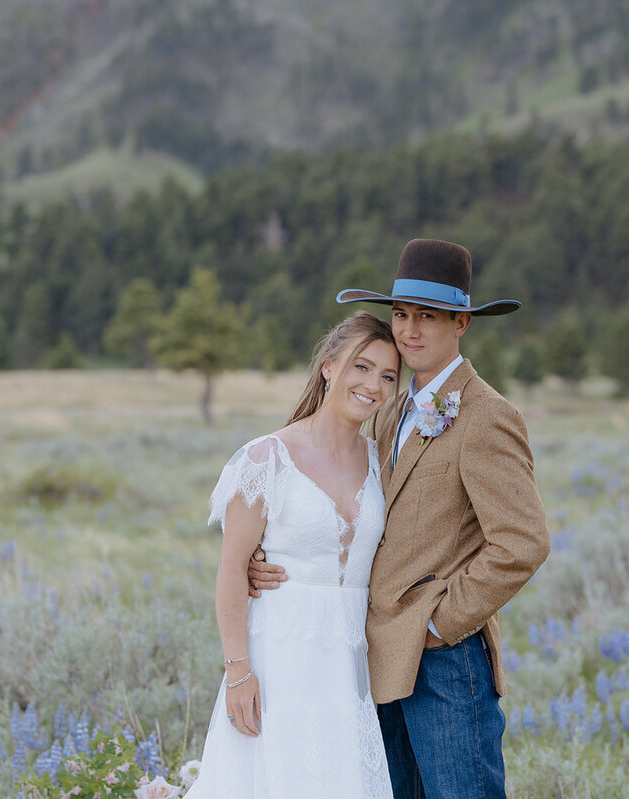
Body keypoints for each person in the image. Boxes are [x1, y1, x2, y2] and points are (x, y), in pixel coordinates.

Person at [251, 238, 551, 799]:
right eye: (402, 315)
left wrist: (438, 624)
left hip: (445, 660)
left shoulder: (487, 415)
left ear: (462, 323)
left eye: (428, 317)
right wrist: (277, 558)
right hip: (375, 655)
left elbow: (523, 542)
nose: (410, 330)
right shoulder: (391, 406)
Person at [185, 311, 401, 799]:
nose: (374, 385)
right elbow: (231, 571)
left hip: (349, 666)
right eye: (361, 367)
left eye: (388, 375)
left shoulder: (382, 461)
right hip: (278, 658)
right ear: (328, 366)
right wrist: (238, 670)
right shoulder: (267, 459)